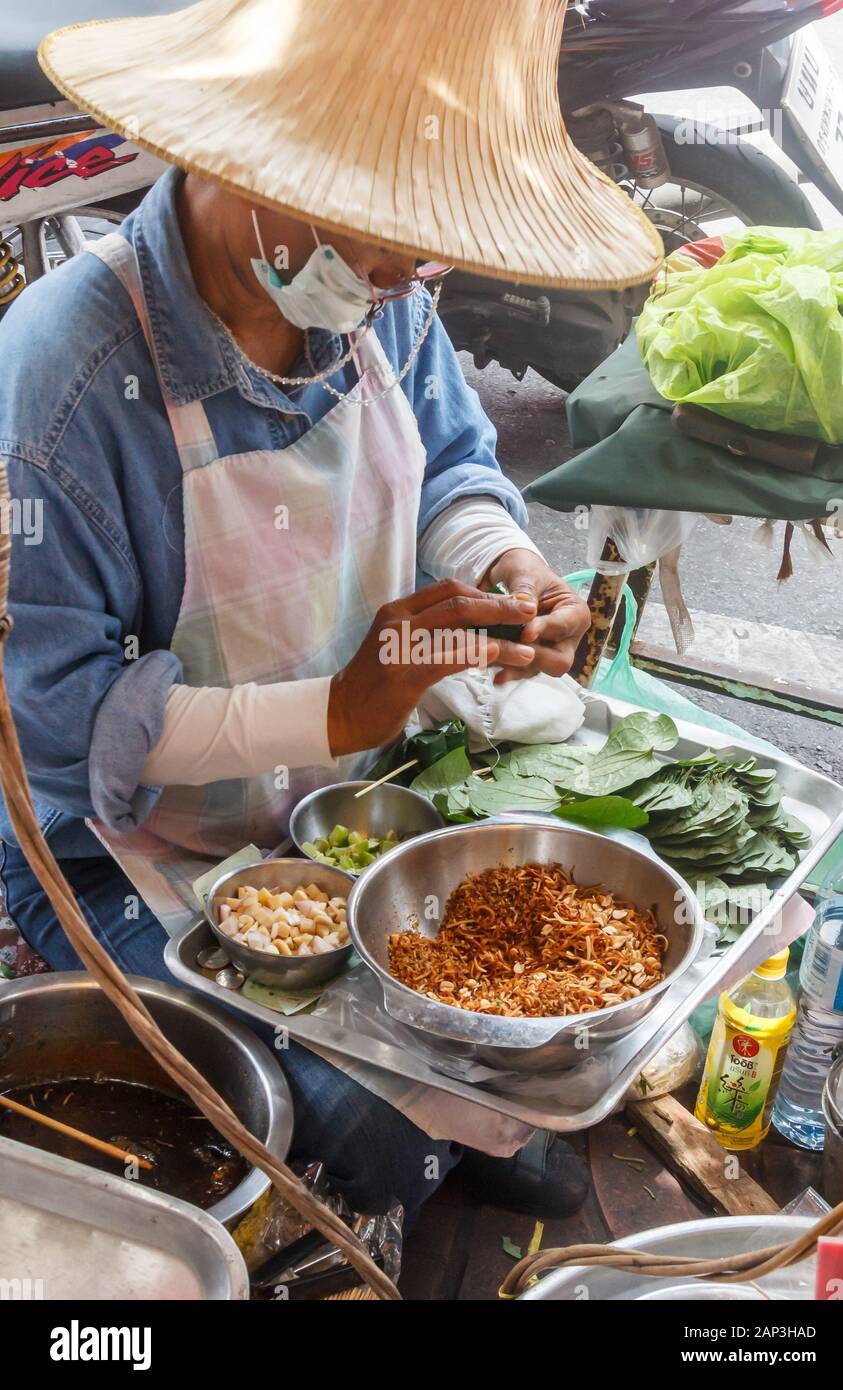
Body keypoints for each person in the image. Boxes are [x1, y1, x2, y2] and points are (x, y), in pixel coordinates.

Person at [0, 0, 660, 1220]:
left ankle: (464, 1126)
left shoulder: (372, 295)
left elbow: (454, 460)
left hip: (339, 795)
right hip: (137, 850)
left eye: (427, 246)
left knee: (518, 1022)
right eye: (389, 239)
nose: (417, 274)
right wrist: (336, 702)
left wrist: (506, 565)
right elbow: (65, 736)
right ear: (254, 171)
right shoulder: (64, 386)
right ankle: (424, 1136)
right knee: (360, 1138)